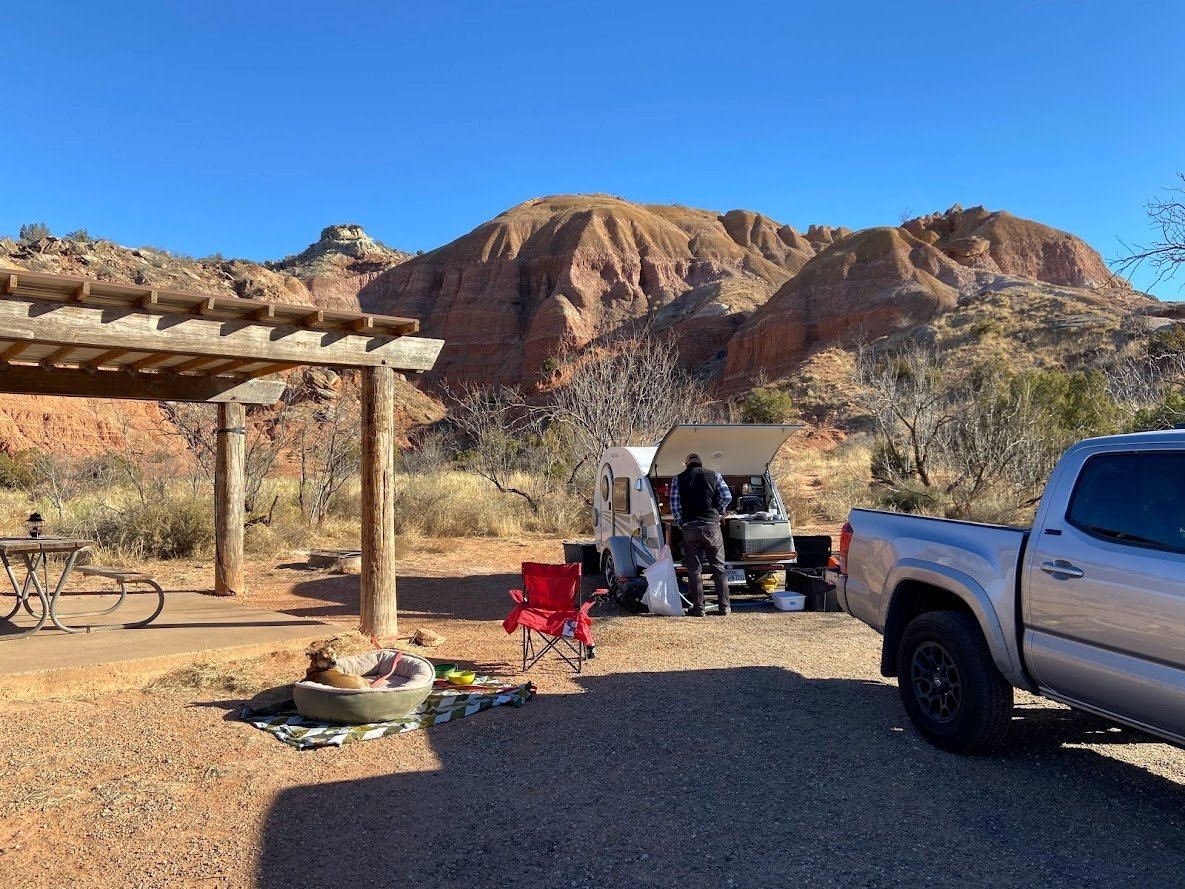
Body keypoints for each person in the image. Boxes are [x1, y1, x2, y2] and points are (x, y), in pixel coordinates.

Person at [670, 453, 732, 616]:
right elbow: (727, 496)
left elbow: (674, 504)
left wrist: (680, 522)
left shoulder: (678, 478)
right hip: (712, 526)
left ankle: (699, 608)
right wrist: (718, 511)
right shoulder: (715, 475)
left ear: (686, 464)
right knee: (718, 567)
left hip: (690, 526)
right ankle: (724, 607)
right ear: (701, 463)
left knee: (694, 570)